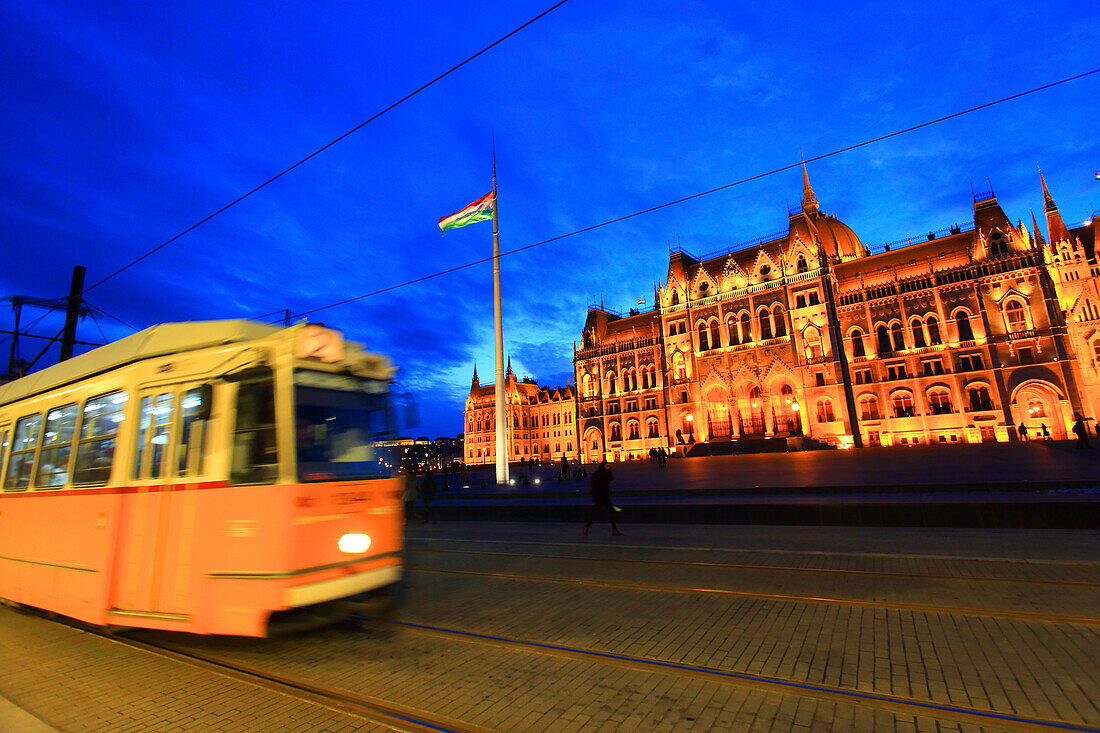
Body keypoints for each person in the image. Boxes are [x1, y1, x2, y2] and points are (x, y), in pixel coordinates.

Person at [583, 460, 622, 537]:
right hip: (601, 497)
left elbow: (611, 478)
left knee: (608, 512)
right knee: (600, 513)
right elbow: (597, 486)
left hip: (603, 497)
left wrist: (609, 471)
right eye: (607, 466)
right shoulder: (599, 474)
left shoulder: (603, 473)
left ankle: (614, 530)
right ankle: (587, 526)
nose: (608, 467)